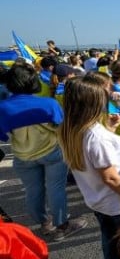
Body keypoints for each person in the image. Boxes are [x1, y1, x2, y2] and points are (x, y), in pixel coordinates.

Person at [58, 76, 120, 259]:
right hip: (118, 204)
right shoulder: (96, 137)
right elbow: (111, 178)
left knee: (111, 246)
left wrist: (109, 128)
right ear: (93, 103)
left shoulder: (70, 129)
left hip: (98, 201)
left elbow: (92, 158)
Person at [0, 63, 87, 242]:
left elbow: (3, 137)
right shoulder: (48, 103)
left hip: (22, 155)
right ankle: (62, 225)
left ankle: (44, 223)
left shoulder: (3, 108)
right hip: (52, 152)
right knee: (56, 189)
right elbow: (61, 126)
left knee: (32, 191)